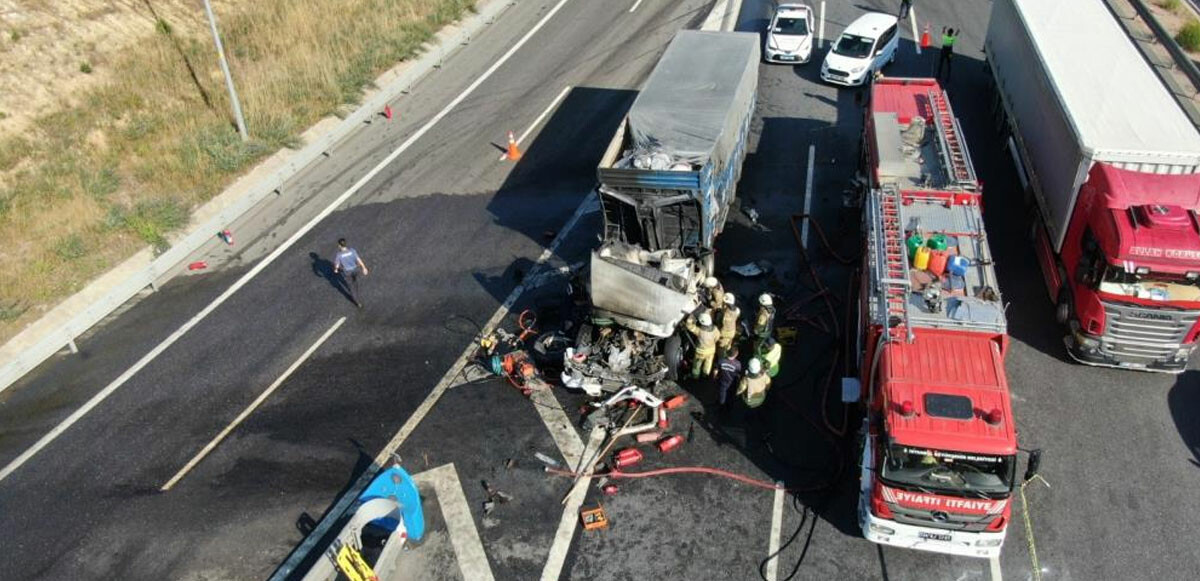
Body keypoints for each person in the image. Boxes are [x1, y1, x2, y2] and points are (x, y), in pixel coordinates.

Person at [332, 238, 369, 308]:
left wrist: (336, 269)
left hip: (347, 272)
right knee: (354, 281)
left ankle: (358, 302)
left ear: (339, 245)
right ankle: (356, 289)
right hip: (355, 269)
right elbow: (359, 259)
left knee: (351, 287)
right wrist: (364, 268)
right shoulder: (352, 251)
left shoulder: (339, 255)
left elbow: (337, 265)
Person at [684, 311, 720, 379]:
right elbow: (717, 338)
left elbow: (689, 327)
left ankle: (695, 376)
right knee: (708, 363)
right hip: (711, 350)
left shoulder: (699, 331)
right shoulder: (715, 329)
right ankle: (705, 374)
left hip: (701, 352)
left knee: (697, 365)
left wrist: (690, 317)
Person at [713, 345, 742, 416]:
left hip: (722, 382)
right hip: (732, 383)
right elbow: (738, 374)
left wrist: (715, 377)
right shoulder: (738, 364)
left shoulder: (721, 360)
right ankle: (727, 410)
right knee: (730, 396)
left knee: (722, 395)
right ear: (736, 354)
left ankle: (721, 407)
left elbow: (715, 370)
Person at [716, 292, 740, 360]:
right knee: (728, 345)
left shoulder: (726, 313)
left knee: (721, 349)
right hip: (732, 333)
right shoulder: (736, 310)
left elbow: (721, 322)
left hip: (724, 334)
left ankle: (721, 360)